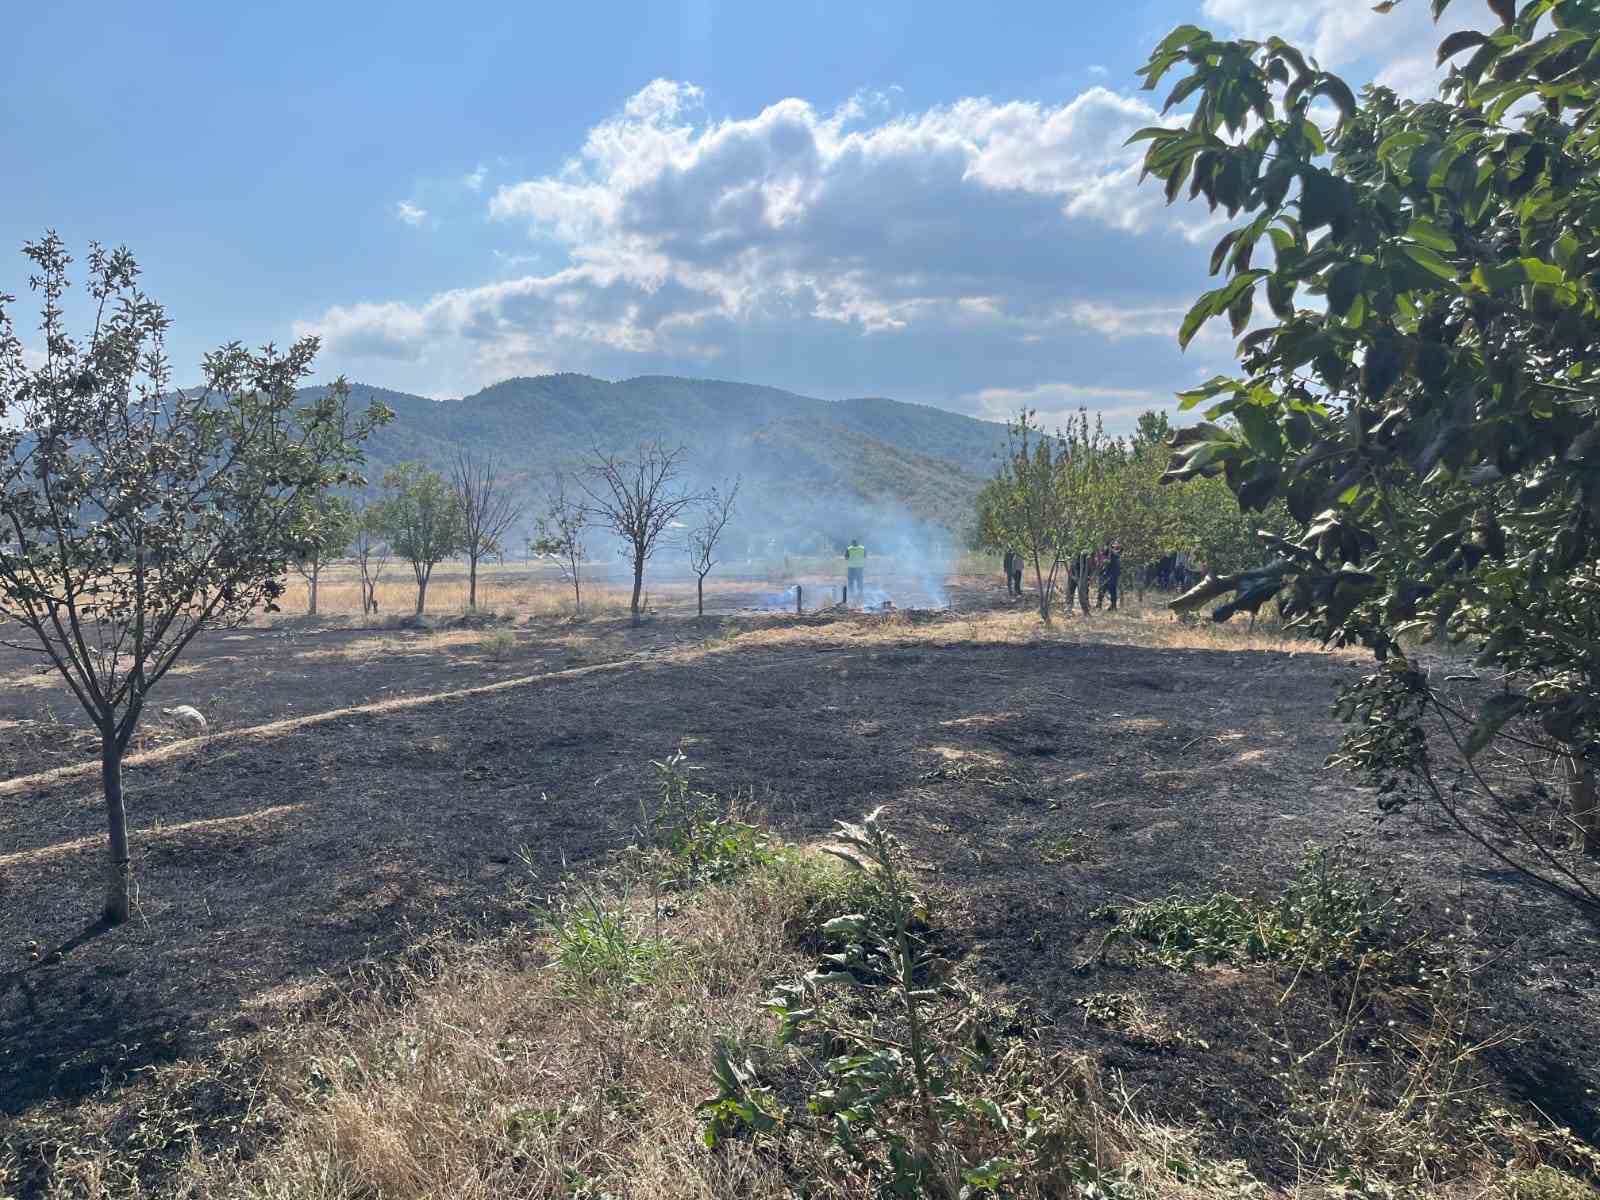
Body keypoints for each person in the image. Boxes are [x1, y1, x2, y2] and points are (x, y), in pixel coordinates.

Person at [845, 536, 866, 602]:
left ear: (852, 543)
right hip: (860, 567)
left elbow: (846, 557)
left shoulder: (849, 549)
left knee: (851, 581)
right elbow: (865, 556)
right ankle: (860, 593)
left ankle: (851, 593)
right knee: (859, 580)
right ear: (858, 543)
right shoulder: (862, 548)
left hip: (851, 567)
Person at [1104, 542, 1122, 610]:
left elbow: (1115, 553)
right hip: (1109, 574)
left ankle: (1113, 606)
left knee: (1112, 589)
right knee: (1111, 590)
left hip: (1113, 574)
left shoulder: (1116, 553)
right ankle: (1113, 605)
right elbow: (1104, 553)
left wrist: (1110, 548)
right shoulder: (1110, 552)